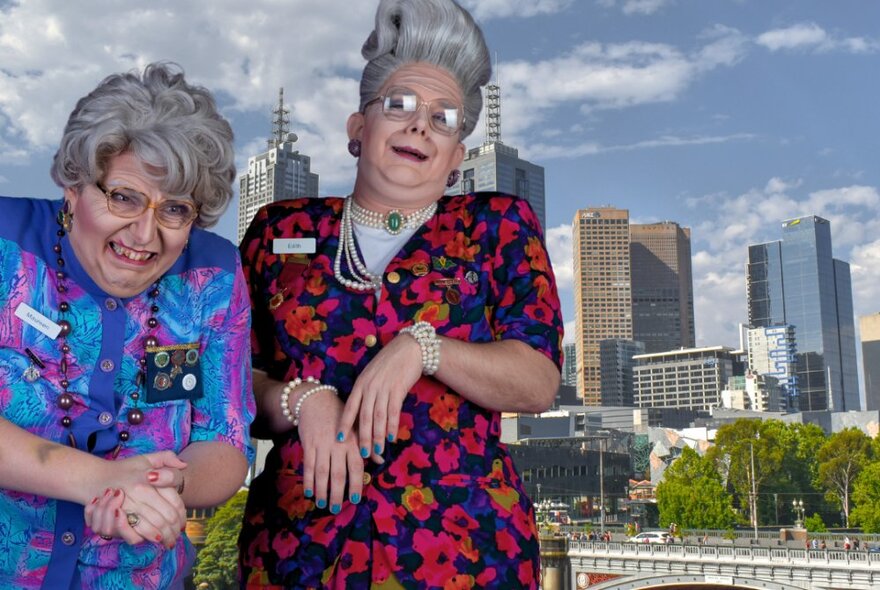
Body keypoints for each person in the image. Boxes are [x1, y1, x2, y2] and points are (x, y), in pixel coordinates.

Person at [237, 0, 563, 586]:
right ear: (358, 129)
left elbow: (537, 381)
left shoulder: (497, 226)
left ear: (457, 156)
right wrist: (302, 402)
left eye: (444, 118)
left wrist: (423, 349)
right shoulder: (278, 231)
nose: (420, 125)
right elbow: (235, 381)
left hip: (464, 553)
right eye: (401, 105)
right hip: (299, 552)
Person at [0, 62, 255, 588]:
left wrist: (155, 490)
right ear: (73, 187)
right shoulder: (6, 247)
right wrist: (101, 480)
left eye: (175, 210)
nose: (144, 233)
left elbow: (225, 442)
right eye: (123, 196)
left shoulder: (216, 277)